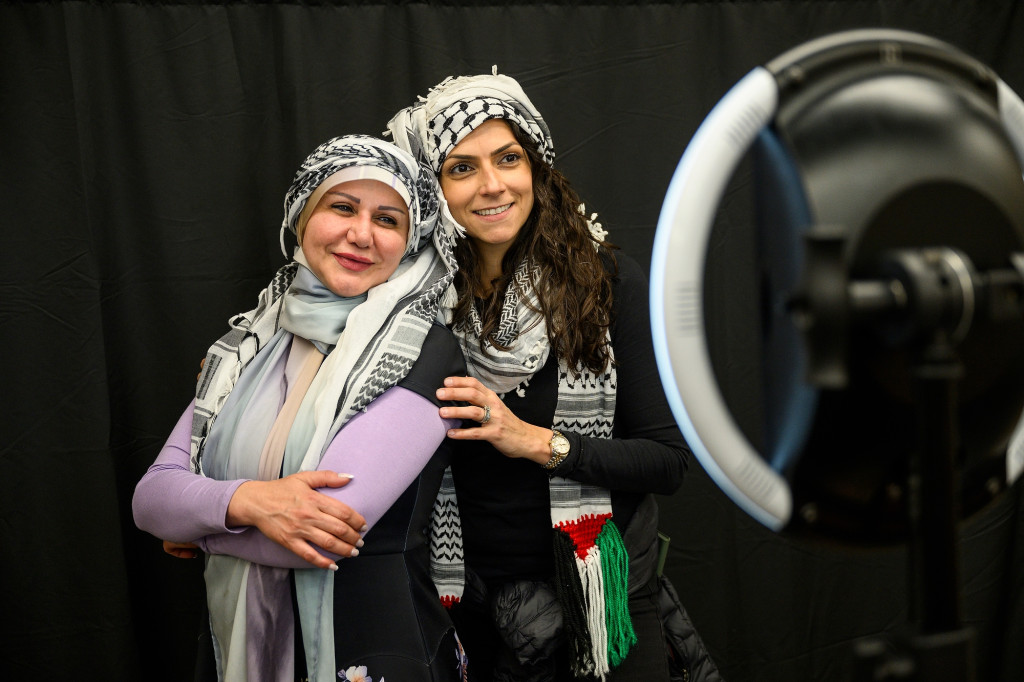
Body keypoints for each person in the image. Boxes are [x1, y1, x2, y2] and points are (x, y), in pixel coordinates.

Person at [388, 72, 720, 681]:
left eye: (508, 158)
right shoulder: (408, 304)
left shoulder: (603, 285)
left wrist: (534, 440)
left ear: (536, 168)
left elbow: (668, 463)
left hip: (602, 604)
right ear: (431, 187)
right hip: (468, 607)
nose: (492, 186)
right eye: (461, 168)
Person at [133, 135, 467, 682]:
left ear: (409, 243)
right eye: (341, 207)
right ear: (301, 218)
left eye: (388, 219)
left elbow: (320, 533)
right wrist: (250, 501)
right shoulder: (248, 344)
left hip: (370, 647)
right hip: (236, 642)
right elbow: (151, 500)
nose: (361, 234)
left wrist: (203, 523)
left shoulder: (426, 352)